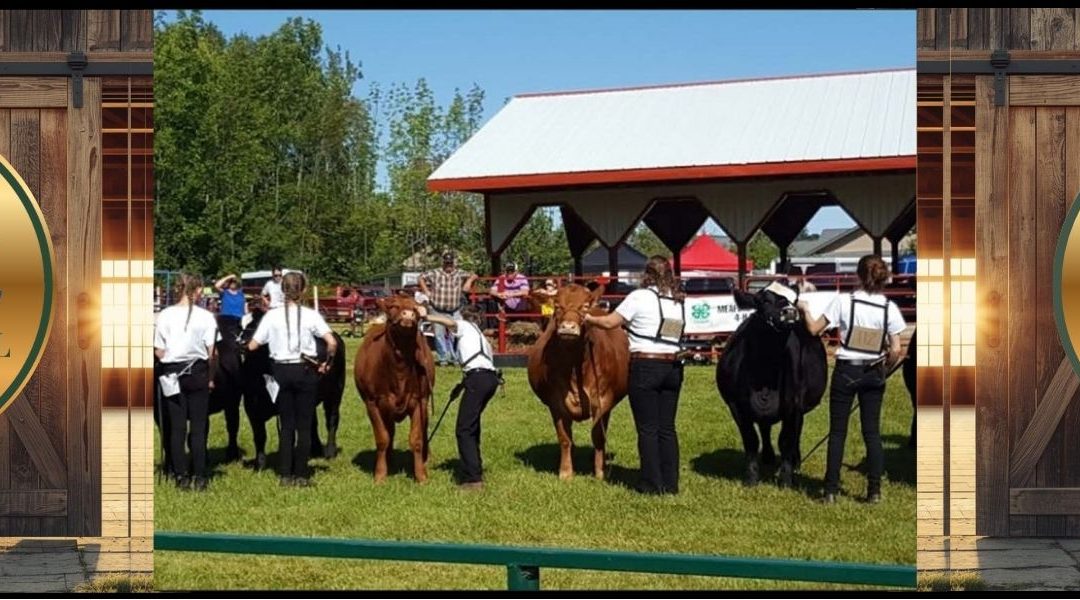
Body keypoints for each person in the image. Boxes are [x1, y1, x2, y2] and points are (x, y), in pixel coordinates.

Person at [797, 254, 906, 505]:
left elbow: (814, 329)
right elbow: (896, 349)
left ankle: (831, 491)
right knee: (872, 433)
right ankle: (874, 491)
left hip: (847, 370)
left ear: (858, 275)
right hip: (873, 371)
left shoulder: (844, 302)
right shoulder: (890, 308)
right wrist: (885, 367)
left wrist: (804, 309)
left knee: (837, 432)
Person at [583, 256, 686, 495]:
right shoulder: (676, 299)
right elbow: (670, 332)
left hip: (646, 365)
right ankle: (670, 483)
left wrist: (588, 318)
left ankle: (650, 483)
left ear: (646, 274)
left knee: (647, 428)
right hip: (673, 366)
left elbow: (610, 323)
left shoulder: (639, 296)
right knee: (667, 428)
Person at [247, 272, 338, 487]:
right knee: (304, 425)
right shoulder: (311, 315)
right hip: (305, 370)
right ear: (304, 290)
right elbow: (331, 342)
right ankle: (302, 474)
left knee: (286, 425)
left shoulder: (271, 316)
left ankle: (285, 475)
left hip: (280, 372)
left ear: (282, 291)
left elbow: (253, 345)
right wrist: (327, 363)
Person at [420, 303, 500, 490]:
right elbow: (480, 363)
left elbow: (448, 322)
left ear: (465, 317)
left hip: (477, 379)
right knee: (473, 426)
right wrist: (462, 386)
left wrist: (427, 317)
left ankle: (473, 479)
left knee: (463, 429)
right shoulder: (482, 338)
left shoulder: (464, 326)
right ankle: (475, 466)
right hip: (488, 379)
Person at [154, 273, 219, 492]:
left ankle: (180, 475)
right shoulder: (206, 317)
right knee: (199, 427)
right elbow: (212, 353)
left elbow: (159, 350)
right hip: (198, 372)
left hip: (172, 372)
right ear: (197, 290)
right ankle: (200, 476)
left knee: (177, 427)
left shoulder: (164, 315)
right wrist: (210, 377)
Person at [418, 251, 478, 366]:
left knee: (455, 333)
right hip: (437, 308)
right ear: (443, 263)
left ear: (454, 263)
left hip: (455, 309)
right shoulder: (435, 273)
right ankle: (443, 358)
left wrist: (469, 281)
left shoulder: (459, 273)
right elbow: (421, 277)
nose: (449, 266)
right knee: (439, 335)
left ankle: (455, 357)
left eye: (450, 263)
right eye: (447, 263)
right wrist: (426, 290)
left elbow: (474, 275)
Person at [214, 273, 247, 340]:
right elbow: (217, 285)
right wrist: (229, 276)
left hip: (239, 322)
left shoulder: (241, 294)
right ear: (228, 283)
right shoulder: (224, 293)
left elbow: (244, 307)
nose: (233, 283)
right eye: (231, 281)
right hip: (227, 322)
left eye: (234, 281)